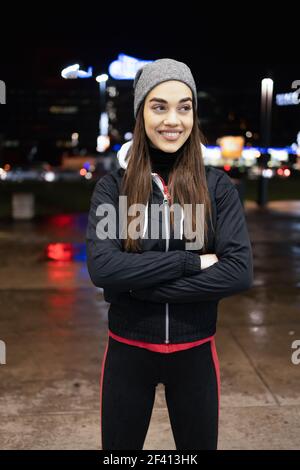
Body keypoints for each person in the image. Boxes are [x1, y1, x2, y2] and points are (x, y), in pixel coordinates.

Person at [86, 58, 253, 450]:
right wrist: (189, 262)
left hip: (195, 353)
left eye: (184, 106)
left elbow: (239, 272)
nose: (172, 120)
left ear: (194, 114)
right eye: (159, 106)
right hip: (128, 353)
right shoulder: (114, 190)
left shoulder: (218, 188)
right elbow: (103, 268)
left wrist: (137, 287)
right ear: (141, 113)